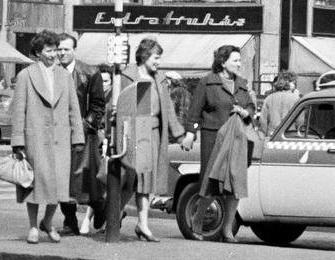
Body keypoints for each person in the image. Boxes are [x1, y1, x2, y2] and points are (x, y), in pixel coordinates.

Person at [10, 29, 84, 245]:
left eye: (55, 50)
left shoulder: (65, 76)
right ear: (38, 53)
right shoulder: (26, 75)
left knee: (59, 186)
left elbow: (73, 108)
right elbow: (19, 110)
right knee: (35, 186)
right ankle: (33, 226)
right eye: (48, 51)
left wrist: (77, 136)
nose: (53, 55)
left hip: (60, 139)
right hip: (36, 138)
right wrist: (18, 142)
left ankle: (48, 221)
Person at [114, 37, 192, 241]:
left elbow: (167, 109)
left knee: (145, 180)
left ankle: (142, 223)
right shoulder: (127, 76)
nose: (158, 61)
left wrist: (179, 134)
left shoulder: (159, 79)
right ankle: (115, 215)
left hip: (151, 134)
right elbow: (121, 107)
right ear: (145, 56)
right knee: (130, 180)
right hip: (134, 134)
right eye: (156, 57)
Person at [188, 45, 257, 243]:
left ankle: (227, 230)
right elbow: (194, 111)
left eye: (239, 60)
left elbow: (251, 106)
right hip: (213, 137)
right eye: (235, 60)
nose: (239, 63)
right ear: (222, 61)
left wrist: (246, 113)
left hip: (237, 138)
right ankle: (198, 219)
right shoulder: (207, 83)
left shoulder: (243, 84)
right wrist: (190, 132)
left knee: (234, 183)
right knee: (210, 181)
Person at [56, 32, 106, 235]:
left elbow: (97, 106)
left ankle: (103, 209)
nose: (62, 53)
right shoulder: (52, 72)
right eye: (58, 49)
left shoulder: (90, 73)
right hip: (59, 135)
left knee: (87, 182)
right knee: (62, 181)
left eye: (66, 49)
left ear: (74, 50)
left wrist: (85, 126)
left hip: (83, 136)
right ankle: (70, 221)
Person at [258, 71, 301, 139]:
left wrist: (264, 137)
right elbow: (300, 122)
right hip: (289, 136)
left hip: (272, 136)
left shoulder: (269, 98)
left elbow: (263, 122)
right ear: (289, 84)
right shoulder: (296, 98)